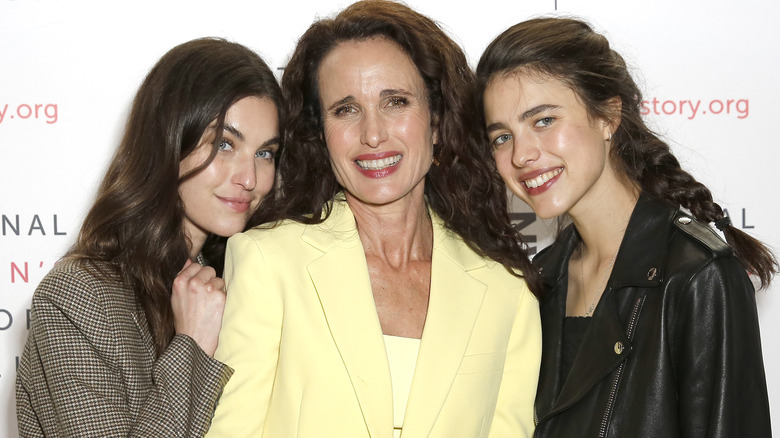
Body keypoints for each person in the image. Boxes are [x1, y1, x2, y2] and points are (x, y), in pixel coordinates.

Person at [205, 2, 542, 437]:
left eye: (396, 102)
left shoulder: (506, 290)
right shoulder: (268, 262)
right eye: (345, 109)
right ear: (319, 132)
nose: (373, 134)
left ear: (436, 121)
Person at [476, 17, 777, 438]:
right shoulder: (538, 281)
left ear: (608, 116)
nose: (522, 154)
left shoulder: (697, 276)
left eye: (543, 120)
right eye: (501, 137)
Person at [15, 37, 282, 437]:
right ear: (169, 141)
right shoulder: (80, 295)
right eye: (225, 144)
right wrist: (191, 345)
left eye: (265, 153)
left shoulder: (242, 280)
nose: (250, 179)